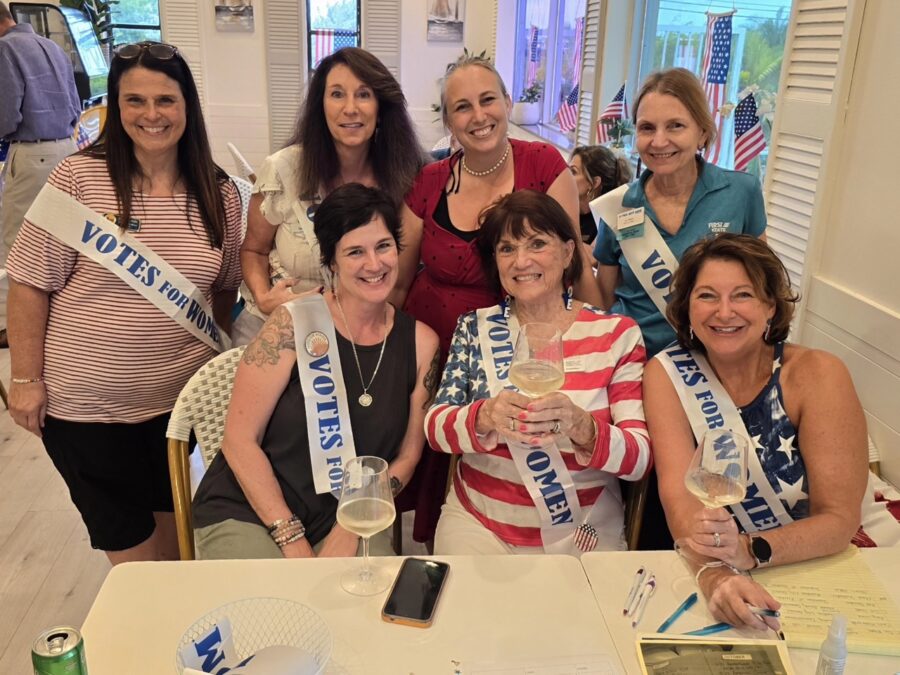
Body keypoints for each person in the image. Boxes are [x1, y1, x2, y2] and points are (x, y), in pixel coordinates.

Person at [5, 41, 242, 565]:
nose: (151, 115)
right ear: (115, 106)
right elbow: (28, 282)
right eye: (135, 101)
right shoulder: (77, 178)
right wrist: (24, 379)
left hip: (176, 413)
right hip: (86, 412)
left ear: (187, 107)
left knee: (180, 555)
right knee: (136, 566)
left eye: (165, 100)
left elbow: (222, 289)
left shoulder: (219, 192)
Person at [392, 53, 601, 543]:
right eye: (462, 107)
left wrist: (599, 328)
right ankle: (448, 541)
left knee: (506, 454)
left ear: (508, 102)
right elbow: (399, 281)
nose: (478, 115)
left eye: (488, 100)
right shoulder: (428, 182)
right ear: (447, 121)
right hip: (435, 339)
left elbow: (570, 260)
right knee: (434, 451)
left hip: (517, 340)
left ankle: (512, 533)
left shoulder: (544, 164)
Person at [645, 233, 900, 630]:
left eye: (743, 295)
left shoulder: (817, 373)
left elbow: (837, 519)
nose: (724, 312)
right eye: (707, 296)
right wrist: (716, 576)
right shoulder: (666, 374)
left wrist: (749, 552)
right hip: (731, 566)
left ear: (770, 306)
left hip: (833, 559)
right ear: (687, 307)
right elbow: (680, 498)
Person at [192, 184, 440, 559]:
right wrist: (291, 539)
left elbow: (407, 457)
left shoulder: (422, 344)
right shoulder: (292, 324)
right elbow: (239, 440)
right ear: (331, 261)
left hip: (349, 514)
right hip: (251, 509)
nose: (374, 264)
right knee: (267, 610)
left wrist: (350, 524)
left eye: (383, 246)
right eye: (355, 252)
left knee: (370, 608)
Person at [591, 68, 767, 550]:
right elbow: (607, 294)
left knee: (709, 478)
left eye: (675, 126)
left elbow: (758, 279)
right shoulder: (619, 205)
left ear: (703, 132)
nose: (659, 140)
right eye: (647, 128)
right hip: (638, 366)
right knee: (641, 483)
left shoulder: (740, 192)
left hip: (715, 364)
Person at [424, 190, 651, 556]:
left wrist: (583, 427)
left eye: (537, 243)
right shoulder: (474, 327)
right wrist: (484, 416)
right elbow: (435, 429)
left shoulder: (616, 334)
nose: (522, 261)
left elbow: (638, 458)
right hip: (479, 524)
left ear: (567, 252)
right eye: (507, 249)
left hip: (583, 528)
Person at [232, 47, 423, 345]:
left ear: (380, 106)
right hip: (276, 327)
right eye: (336, 94)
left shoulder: (406, 178)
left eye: (363, 94)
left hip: (358, 335)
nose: (350, 108)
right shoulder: (283, 170)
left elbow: (399, 283)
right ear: (320, 106)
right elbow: (253, 250)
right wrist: (264, 297)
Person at [0, 1, 81, 347]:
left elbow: (6, 114)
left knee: (14, 244)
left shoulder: (5, 49)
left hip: (32, 153)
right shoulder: (51, 45)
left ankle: (9, 327)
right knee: (61, 238)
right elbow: (77, 103)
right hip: (67, 148)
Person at [568, 144, 632, 244]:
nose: (566, 176)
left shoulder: (607, 223)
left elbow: (589, 258)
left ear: (594, 183)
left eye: (573, 171)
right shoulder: (564, 207)